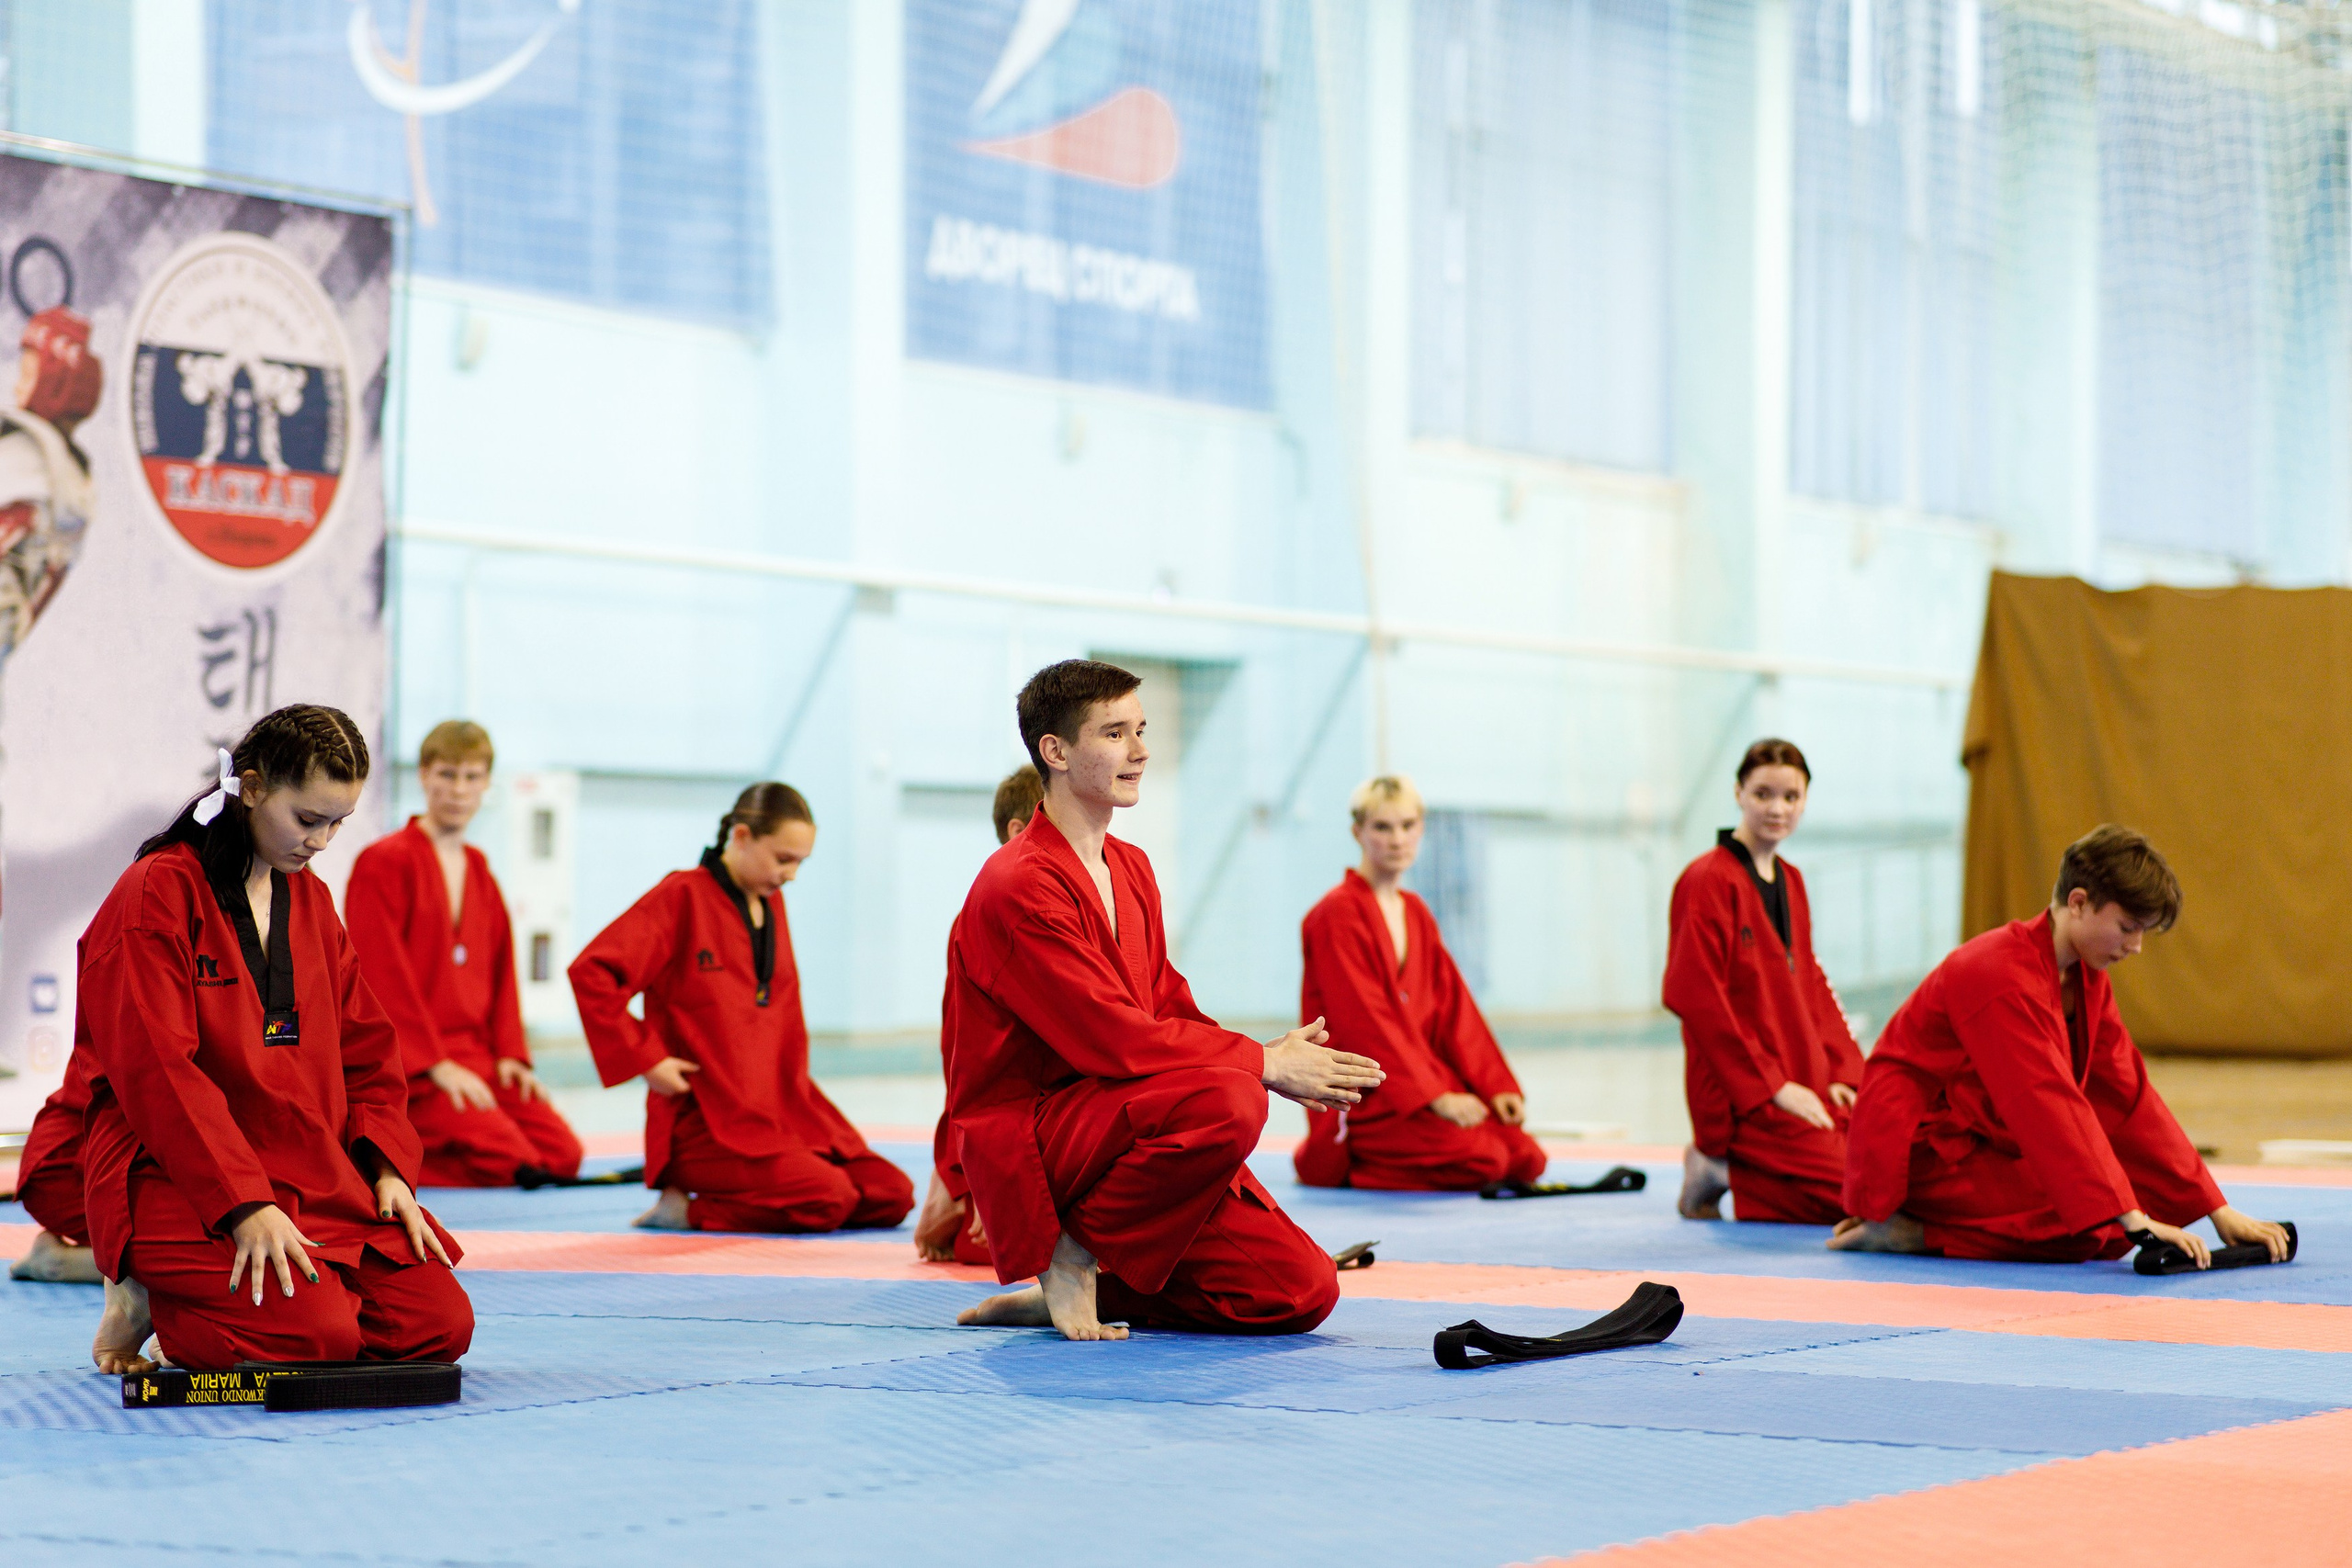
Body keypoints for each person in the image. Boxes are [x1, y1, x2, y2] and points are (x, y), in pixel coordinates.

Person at [949, 660, 1385, 1340]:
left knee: (1300, 1291)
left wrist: (1271, 1055)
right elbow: (1115, 1038)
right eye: (1115, 733)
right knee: (1231, 1097)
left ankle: (1107, 1283)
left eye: (1141, 730)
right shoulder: (1018, 884)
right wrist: (1260, 1065)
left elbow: (1168, 1006)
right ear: (1055, 752)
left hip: (1123, 1121)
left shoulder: (1131, 867)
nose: (1141, 750)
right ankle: (1068, 1255)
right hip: (1043, 1132)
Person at [77, 705, 471, 1372]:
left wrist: (386, 1167)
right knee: (318, 1336)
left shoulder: (309, 898)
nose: (321, 841)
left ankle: (272, 1295)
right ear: (252, 788)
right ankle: (147, 1301)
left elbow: (367, 1049)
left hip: (307, 1163)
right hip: (174, 1173)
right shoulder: (156, 894)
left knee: (435, 1324)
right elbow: (158, 1073)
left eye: (337, 823)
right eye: (307, 819)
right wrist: (243, 1203)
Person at [1833, 825, 2290, 1266]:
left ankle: (1936, 1227)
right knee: (2099, 1222)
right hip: (1918, 1150)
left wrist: (2216, 1209)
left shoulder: (2087, 976)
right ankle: (1916, 1231)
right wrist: (2130, 1216)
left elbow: (2127, 1098)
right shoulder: (1997, 971)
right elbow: (2042, 1098)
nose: (2136, 947)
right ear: (2078, 903)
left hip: (1981, 1139)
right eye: (2128, 927)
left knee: (2120, 1208)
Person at [569, 783, 913, 1235]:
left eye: (800, 863)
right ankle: (687, 1211)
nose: (790, 874)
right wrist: (645, 1057)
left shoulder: (771, 901)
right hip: (708, 1122)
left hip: (782, 1110)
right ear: (743, 836)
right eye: (783, 859)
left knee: (891, 1193)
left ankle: (740, 1193)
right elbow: (592, 971)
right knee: (828, 1197)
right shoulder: (681, 896)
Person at [345, 720, 583, 1187]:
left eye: (472, 777)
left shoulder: (480, 870)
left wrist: (512, 1056)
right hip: (413, 1067)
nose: (459, 790)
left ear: (487, 784)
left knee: (562, 1156)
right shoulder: (383, 862)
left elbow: (502, 974)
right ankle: (378, 1155)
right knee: (514, 1163)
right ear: (424, 776)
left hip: (479, 1059)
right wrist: (435, 1065)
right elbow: (378, 976)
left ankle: (402, 1151)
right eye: (447, 775)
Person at [1292, 774, 1543, 1191]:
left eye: (1408, 826)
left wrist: (1494, 1085)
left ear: (1421, 829)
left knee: (1527, 1157)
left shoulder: (1417, 913)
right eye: (1383, 827)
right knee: (1487, 1159)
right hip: (1372, 1099)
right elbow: (1366, 1024)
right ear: (1358, 832)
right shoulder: (1335, 915)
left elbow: (1454, 1009)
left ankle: (1394, 1149)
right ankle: (1353, 1164)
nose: (1397, 840)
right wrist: (1436, 1098)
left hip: (1421, 1084)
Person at [1663, 739, 1864, 1223]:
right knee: (1861, 1199)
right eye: (1763, 794)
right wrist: (1772, 1086)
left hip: (1804, 1081)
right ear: (1738, 793)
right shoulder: (1707, 880)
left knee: (1882, 1155)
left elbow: (1812, 984)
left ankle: (1728, 1175)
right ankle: (1723, 1158)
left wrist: (1842, 1072)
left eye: (1791, 797)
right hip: (1745, 1097)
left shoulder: (1791, 880)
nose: (1777, 809)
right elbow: (1694, 994)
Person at [914, 764, 1044, 1264]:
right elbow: (968, 1064)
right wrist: (963, 1173)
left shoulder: (1110, 885)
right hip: (1009, 1131)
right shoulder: (983, 915)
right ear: (1019, 830)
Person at [6, 1052, 98, 1282]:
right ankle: (61, 1264)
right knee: (194, 1252)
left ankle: (62, 1262)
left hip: (71, 1153)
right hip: (67, 1167)